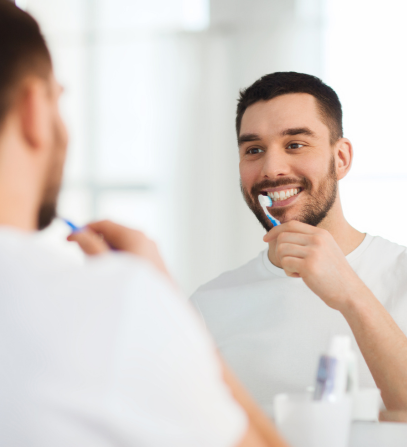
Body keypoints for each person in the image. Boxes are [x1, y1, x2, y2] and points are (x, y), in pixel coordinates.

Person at [0, 2, 289, 445]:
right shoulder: (115, 304)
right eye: (252, 148)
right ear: (35, 108)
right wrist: (163, 305)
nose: (272, 167)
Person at [190, 72, 407, 418]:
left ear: (341, 159)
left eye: (295, 144)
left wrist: (350, 292)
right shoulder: (205, 308)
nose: (271, 168)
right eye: (253, 150)